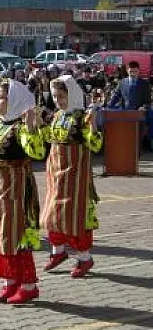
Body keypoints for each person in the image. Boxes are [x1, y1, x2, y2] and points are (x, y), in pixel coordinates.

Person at [0, 79, 45, 304]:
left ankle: (28, 285)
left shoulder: (20, 127)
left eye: (5, 98)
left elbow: (37, 153)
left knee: (16, 234)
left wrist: (31, 128)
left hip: (16, 189)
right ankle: (9, 281)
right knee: (1, 234)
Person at [41, 76, 103, 278]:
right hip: (56, 173)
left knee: (76, 216)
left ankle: (85, 258)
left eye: (62, 96)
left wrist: (93, 124)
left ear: (72, 94)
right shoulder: (57, 115)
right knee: (53, 214)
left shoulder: (80, 117)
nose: (58, 100)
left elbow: (95, 145)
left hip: (75, 175)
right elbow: (47, 139)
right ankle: (57, 252)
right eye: (55, 96)